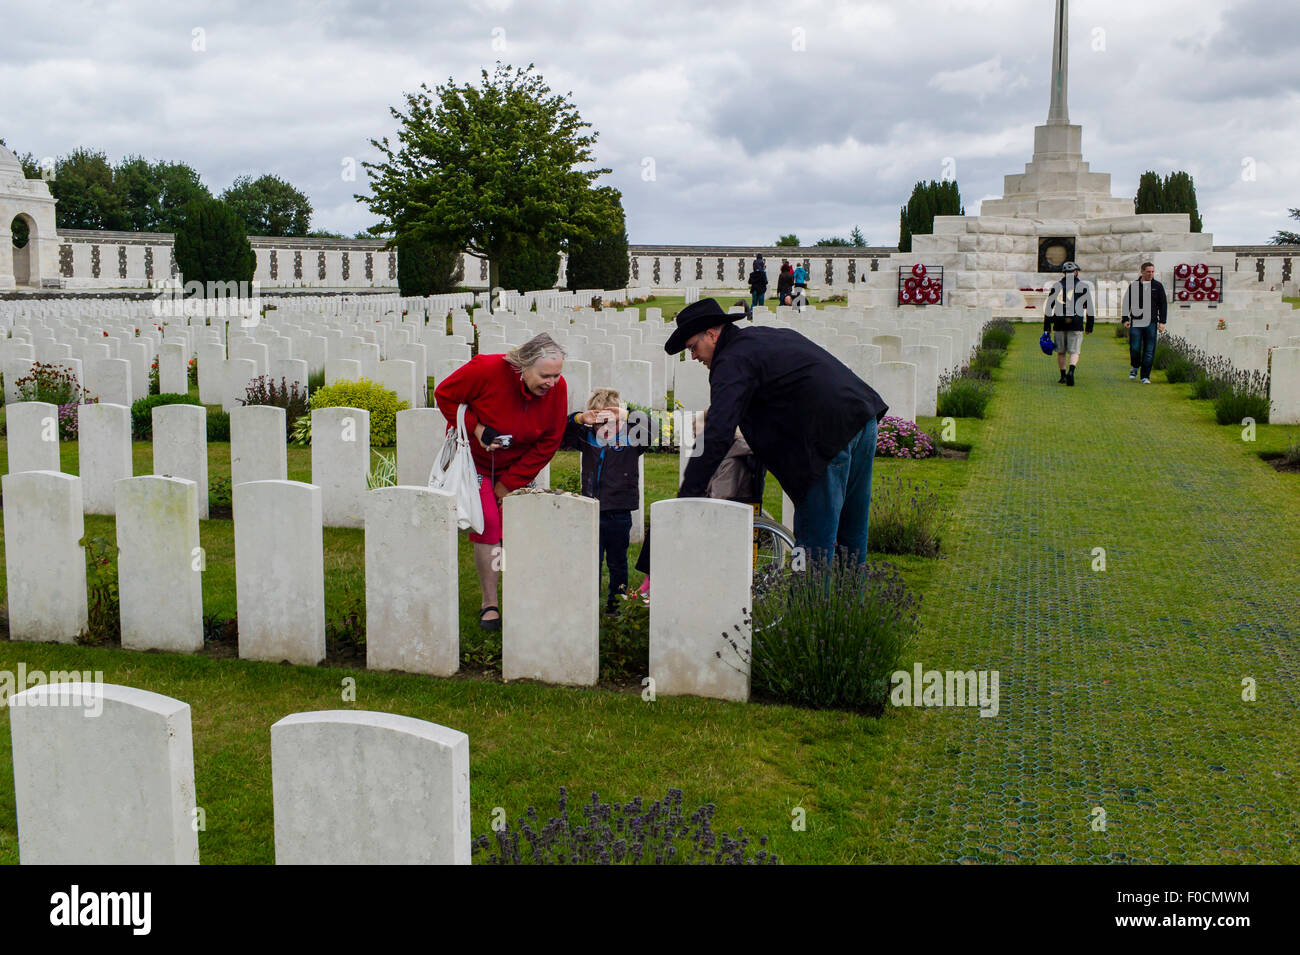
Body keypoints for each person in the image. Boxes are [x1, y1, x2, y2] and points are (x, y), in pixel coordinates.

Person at [665, 298, 889, 565]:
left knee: (813, 545)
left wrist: (688, 495)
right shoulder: (762, 338)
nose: (693, 356)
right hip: (862, 418)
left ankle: (812, 606)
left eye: (692, 347)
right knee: (851, 537)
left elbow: (718, 432)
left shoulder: (731, 361)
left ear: (712, 335)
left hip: (825, 438)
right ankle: (849, 605)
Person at [434, 332, 569, 630]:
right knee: (490, 526)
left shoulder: (557, 390)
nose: (552, 383)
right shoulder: (485, 369)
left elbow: (550, 439)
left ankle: (527, 592)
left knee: (521, 527)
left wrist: (509, 482)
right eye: (545, 375)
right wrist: (477, 428)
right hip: (476, 463)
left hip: (518, 468)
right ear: (522, 366)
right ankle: (489, 602)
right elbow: (444, 395)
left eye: (557, 376)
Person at [562, 388, 650, 615]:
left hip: (619, 511)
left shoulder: (632, 437)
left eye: (610, 422)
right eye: (598, 423)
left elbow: (653, 429)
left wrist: (627, 414)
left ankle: (616, 602)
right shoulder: (586, 436)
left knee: (617, 561)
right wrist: (580, 418)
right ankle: (586, 602)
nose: (603, 429)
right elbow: (562, 431)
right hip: (591, 508)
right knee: (591, 560)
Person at [1043, 261, 1095, 386]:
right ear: (1076, 272)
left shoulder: (1057, 286)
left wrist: (1047, 327)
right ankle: (1071, 371)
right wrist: (1089, 326)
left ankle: (1062, 376)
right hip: (1076, 322)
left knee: (1061, 351)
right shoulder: (1083, 287)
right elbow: (1089, 307)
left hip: (1059, 322)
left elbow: (1049, 307)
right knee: (1074, 351)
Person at [1121, 261, 1168, 383]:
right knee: (1135, 348)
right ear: (1142, 271)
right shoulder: (1134, 286)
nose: (1151, 274)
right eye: (1148, 271)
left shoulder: (1158, 286)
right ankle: (1135, 366)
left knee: (1149, 350)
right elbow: (1127, 302)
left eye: (1152, 271)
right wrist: (1125, 319)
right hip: (1136, 322)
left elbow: (1163, 305)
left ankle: (1145, 376)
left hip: (1151, 323)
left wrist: (1162, 322)